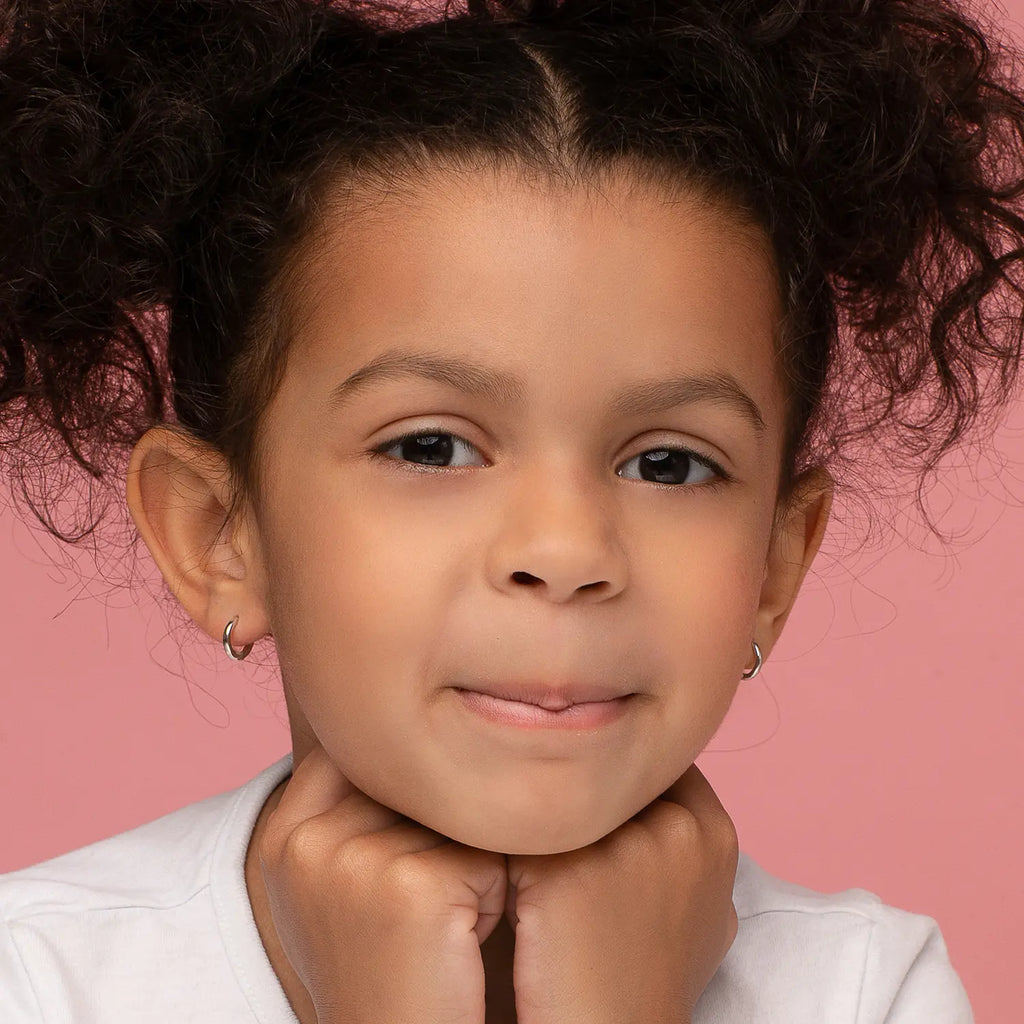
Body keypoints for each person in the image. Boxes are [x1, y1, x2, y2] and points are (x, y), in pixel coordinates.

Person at [1, 0, 1020, 1020]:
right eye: (429, 446)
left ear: (775, 563)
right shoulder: (40, 981)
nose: (565, 549)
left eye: (668, 463)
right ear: (217, 533)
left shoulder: (865, 992)